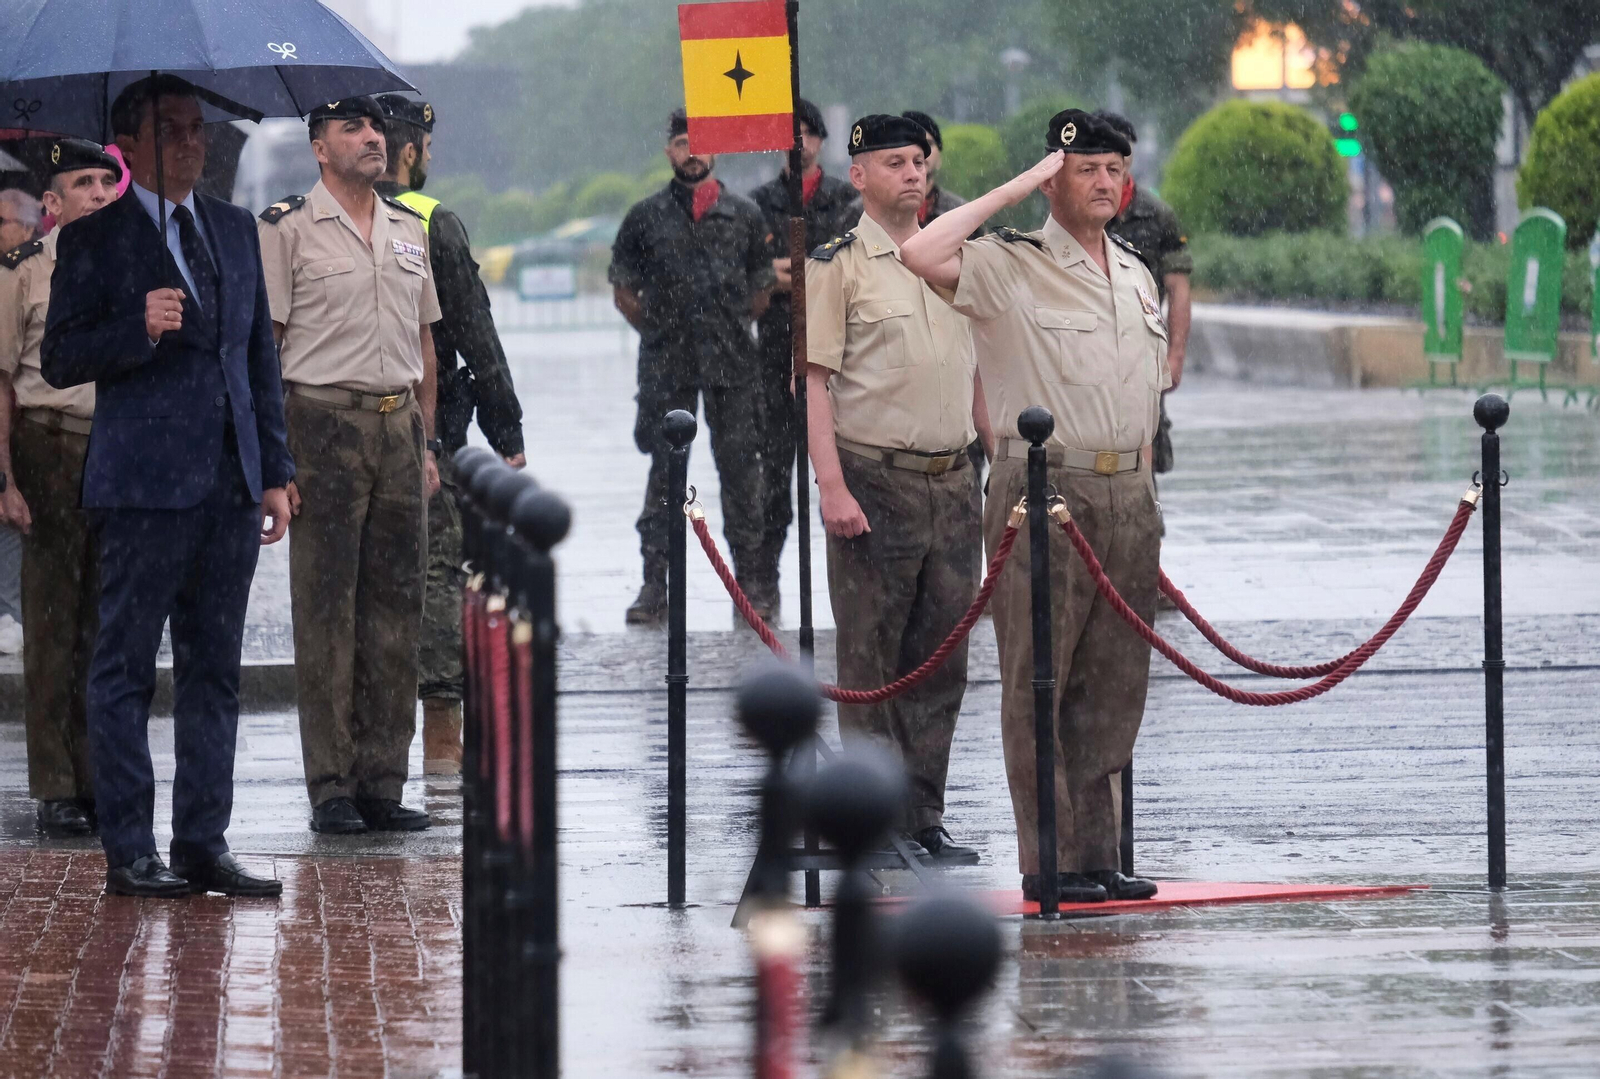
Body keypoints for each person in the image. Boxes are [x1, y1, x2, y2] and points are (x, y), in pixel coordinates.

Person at [900, 109, 1167, 904]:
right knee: (1040, 680)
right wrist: (1017, 186)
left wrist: (1146, 494)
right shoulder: (1011, 263)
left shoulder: (1135, 270)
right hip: (1046, 491)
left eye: (1115, 169)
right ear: (1054, 179)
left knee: (1113, 679)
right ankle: (1049, 856)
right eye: (1086, 170)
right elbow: (920, 251)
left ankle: (1099, 852)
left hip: (1128, 489)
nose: (1104, 183)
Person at [41, 75, 295, 898]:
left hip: (229, 484)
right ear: (130, 145)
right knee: (124, 668)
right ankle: (130, 849)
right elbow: (60, 358)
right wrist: (136, 327)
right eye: (174, 129)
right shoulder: (94, 238)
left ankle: (202, 842)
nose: (192, 142)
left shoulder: (234, 228)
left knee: (214, 668)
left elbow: (257, 359)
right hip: (142, 486)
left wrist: (276, 472)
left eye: (197, 127)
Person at [806, 115, 993, 863]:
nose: (913, 173)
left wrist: (1001, 462)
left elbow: (976, 372)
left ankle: (923, 817)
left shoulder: (955, 258)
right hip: (873, 479)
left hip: (953, 480)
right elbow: (814, 382)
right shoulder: (838, 265)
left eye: (919, 160)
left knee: (942, 661)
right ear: (858, 176)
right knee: (871, 662)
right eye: (894, 162)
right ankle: (872, 822)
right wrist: (831, 486)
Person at [257, 96, 442, 835]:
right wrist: (276, 459)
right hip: (322, 425)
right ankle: (331, 784)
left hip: (399, 428)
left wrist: (427, 443)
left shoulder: (408, 227)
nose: (373, 138)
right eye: (352, 129)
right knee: (327, 612)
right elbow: (266, 347)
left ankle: (382, 781)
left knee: (397, 611)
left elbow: (425, 343)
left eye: (375, 128)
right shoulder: (286, 229)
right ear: (319, 148)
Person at [374, 94, 527, 777]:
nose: (429, 160)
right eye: (427, 149)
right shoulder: (432, 220)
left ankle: (371, 744)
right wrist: (507, 429)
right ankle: (441, 738)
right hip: (431, 430)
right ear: (411, 151)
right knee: (438, 569)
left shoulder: (332, 217)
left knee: (370, 579)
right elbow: (474, 332)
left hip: (345, 422)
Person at [610, 108, 775, 625]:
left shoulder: (745, 214)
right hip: (668, 365)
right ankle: (654, 585)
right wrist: (661, 331)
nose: (692, 153)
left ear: (715, 150)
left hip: (732, 363)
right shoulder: (644, 217)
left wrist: (726, 324)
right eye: (682, 144)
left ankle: (752, 584)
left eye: (700, 143)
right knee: (665, 476)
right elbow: (623, 291)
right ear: (669, 152)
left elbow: (762, 289)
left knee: (742, 475)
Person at [0, 140, 119, 838]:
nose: (100, 193)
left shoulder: (132, 264)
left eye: (107, 181)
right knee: (51, 621)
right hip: (48, 444)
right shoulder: (23, 271)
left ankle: (99, 772)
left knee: (108, 623)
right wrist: (6, 479)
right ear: (51, 202)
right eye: (84, 183)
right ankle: (56, 783)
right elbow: (2, 382)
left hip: (116, 448)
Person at [747, 98, 857, 613]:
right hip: (774, 352)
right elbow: (749, 277)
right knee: (774, 477)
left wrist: (799, 272)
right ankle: (762, 579)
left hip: (839, 355)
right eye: (792, 134)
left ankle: (851, 576)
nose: (801, 144)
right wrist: (785, 274)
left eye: (809, 134)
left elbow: (848, 270)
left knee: (846, 470)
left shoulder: (847, 201)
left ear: (821, 141)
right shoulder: (756, 205)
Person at [1096, 111, 1191, 484]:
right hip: (1087, 349)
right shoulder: (1074, 211)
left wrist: (1175, 356)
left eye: (1121, 153)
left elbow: (1178, 288)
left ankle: (1144, 512)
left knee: (1145, 449)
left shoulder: (1157, 215)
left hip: (1142, 351)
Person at [0, 189, 38, 654]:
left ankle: (12, 612)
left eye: (2, 221)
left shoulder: (30, 274)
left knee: (14, 518)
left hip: (26, 422)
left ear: (29, 228)